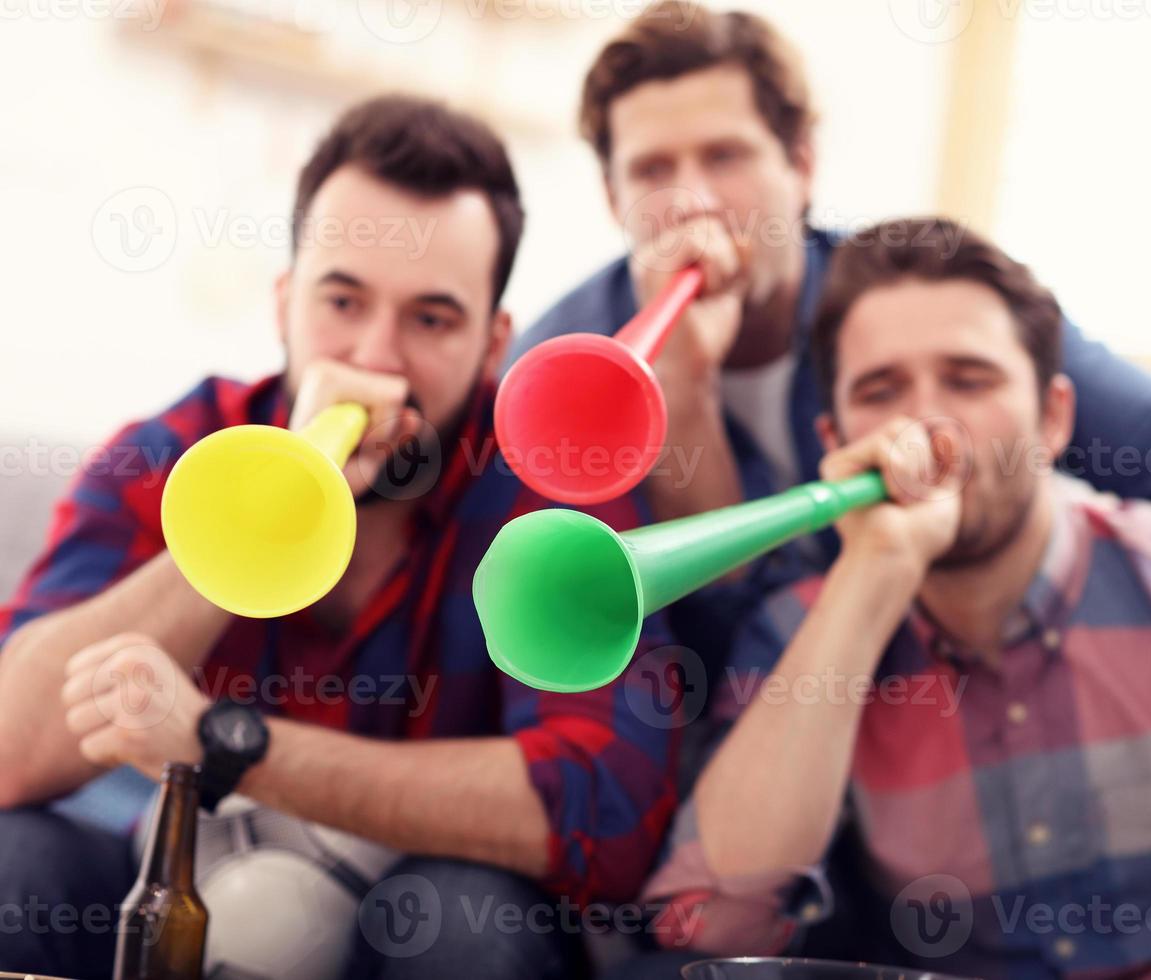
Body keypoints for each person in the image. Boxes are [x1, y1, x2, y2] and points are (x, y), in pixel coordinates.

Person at [628, 218, 1151, 979]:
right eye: (881, 392)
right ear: (832, 440)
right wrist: (875, 573)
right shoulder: (802, 628)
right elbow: (706, 925)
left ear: (1055, 418)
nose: (928, 428)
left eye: (969, 379)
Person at [510, 1, 1151, 666]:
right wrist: (678, 395)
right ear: (608, 196)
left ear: (802, 164)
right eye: (653, 169)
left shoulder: (907, 305)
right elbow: (714, 654)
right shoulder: (549, 376)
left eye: (726, 155)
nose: (694, 199)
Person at [0, 95, 679, 980]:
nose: (376, 356)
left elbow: (601, 809)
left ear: (492, 343)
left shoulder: (550, 485)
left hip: (420, 915)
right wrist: (256, 521)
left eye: (431, 318)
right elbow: (12, 752)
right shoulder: (174, 449)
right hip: (176, 870)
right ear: (285, 303)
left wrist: (221, 743)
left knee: (463, 924)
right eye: (343, 300)